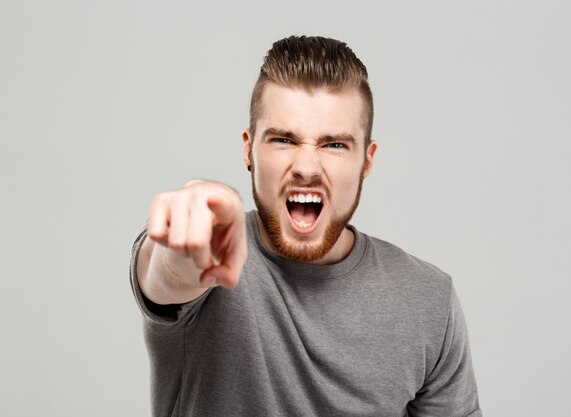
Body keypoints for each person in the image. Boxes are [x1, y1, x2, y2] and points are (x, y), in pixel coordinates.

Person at [130, 35, 482, 417]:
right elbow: (166, 273)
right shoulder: (209, 251)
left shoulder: (429, 300)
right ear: (249, 150)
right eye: (283, 140)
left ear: (367, 160)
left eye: (334, 145)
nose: (307, 168)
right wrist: (184, 248)